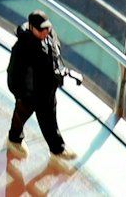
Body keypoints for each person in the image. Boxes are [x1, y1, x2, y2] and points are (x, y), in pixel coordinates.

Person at [6, 11, 79, 165]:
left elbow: (55, 57)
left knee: (50, 121)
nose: (45, 32)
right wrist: (21, 94)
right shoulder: (22, 47)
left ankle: (57, 149)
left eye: (47, 28)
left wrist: (62, 73)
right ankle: (14, 139)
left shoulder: (50, 36)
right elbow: (13, 73)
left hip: (48, 90)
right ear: (31, 27)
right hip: (29, 94)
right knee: (20, 117)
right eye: (41, 29)